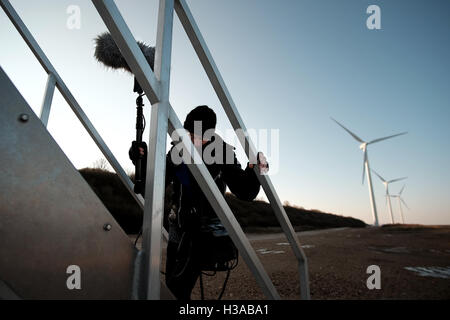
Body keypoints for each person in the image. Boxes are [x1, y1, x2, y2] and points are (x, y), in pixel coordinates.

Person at [129, 105, 268, 300]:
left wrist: (255, 168)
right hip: (177, 226)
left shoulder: (221, 152)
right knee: (171, 287)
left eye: (198, 135)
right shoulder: (178, 150)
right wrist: (141, 159)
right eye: (189, 133)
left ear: (209, 134)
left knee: (176, 290)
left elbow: (246, 191)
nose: (192, 139)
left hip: (202, 231)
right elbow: (154, 184)